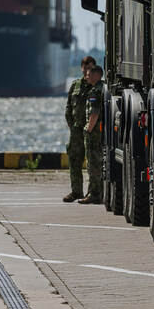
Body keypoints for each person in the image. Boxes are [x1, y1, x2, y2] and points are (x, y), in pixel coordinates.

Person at [63, 56, 96, 202]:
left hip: (92, 131)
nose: (87, 70)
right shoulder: (75, 85)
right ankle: (76, 192)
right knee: (74, 161)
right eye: (85, 67)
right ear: (82, 68)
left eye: (91, 68)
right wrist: (72, 125)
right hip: (76, 130)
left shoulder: (97, 87)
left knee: (93, 163)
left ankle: (93, 193)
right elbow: (68, 107)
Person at [78, 64, 106, 204]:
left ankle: (94, 194)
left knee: (93, 164)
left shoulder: (95, 91)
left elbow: (94, 113)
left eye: (89, 75)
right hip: (100, 133)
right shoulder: (103, 88)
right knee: (98, 163)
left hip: (94, 134)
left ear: (96, 75)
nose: (86, 77)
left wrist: (88, 129)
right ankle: (97, 192)